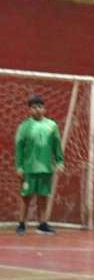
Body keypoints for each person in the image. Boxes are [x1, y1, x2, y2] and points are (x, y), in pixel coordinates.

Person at [15, 96, 64, 235]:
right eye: (35, 107)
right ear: (29, 109)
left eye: (40, 107)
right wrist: (19, 167)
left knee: (43, 197)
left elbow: (57, 146)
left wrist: (60, 162)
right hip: (29, 169)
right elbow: (19, 148)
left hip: (46, 168)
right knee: (26, 197)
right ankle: (21, 224)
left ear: (44, 108)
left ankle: (42, 224)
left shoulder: (52, 126)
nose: (38, 110)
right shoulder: (24, 127)